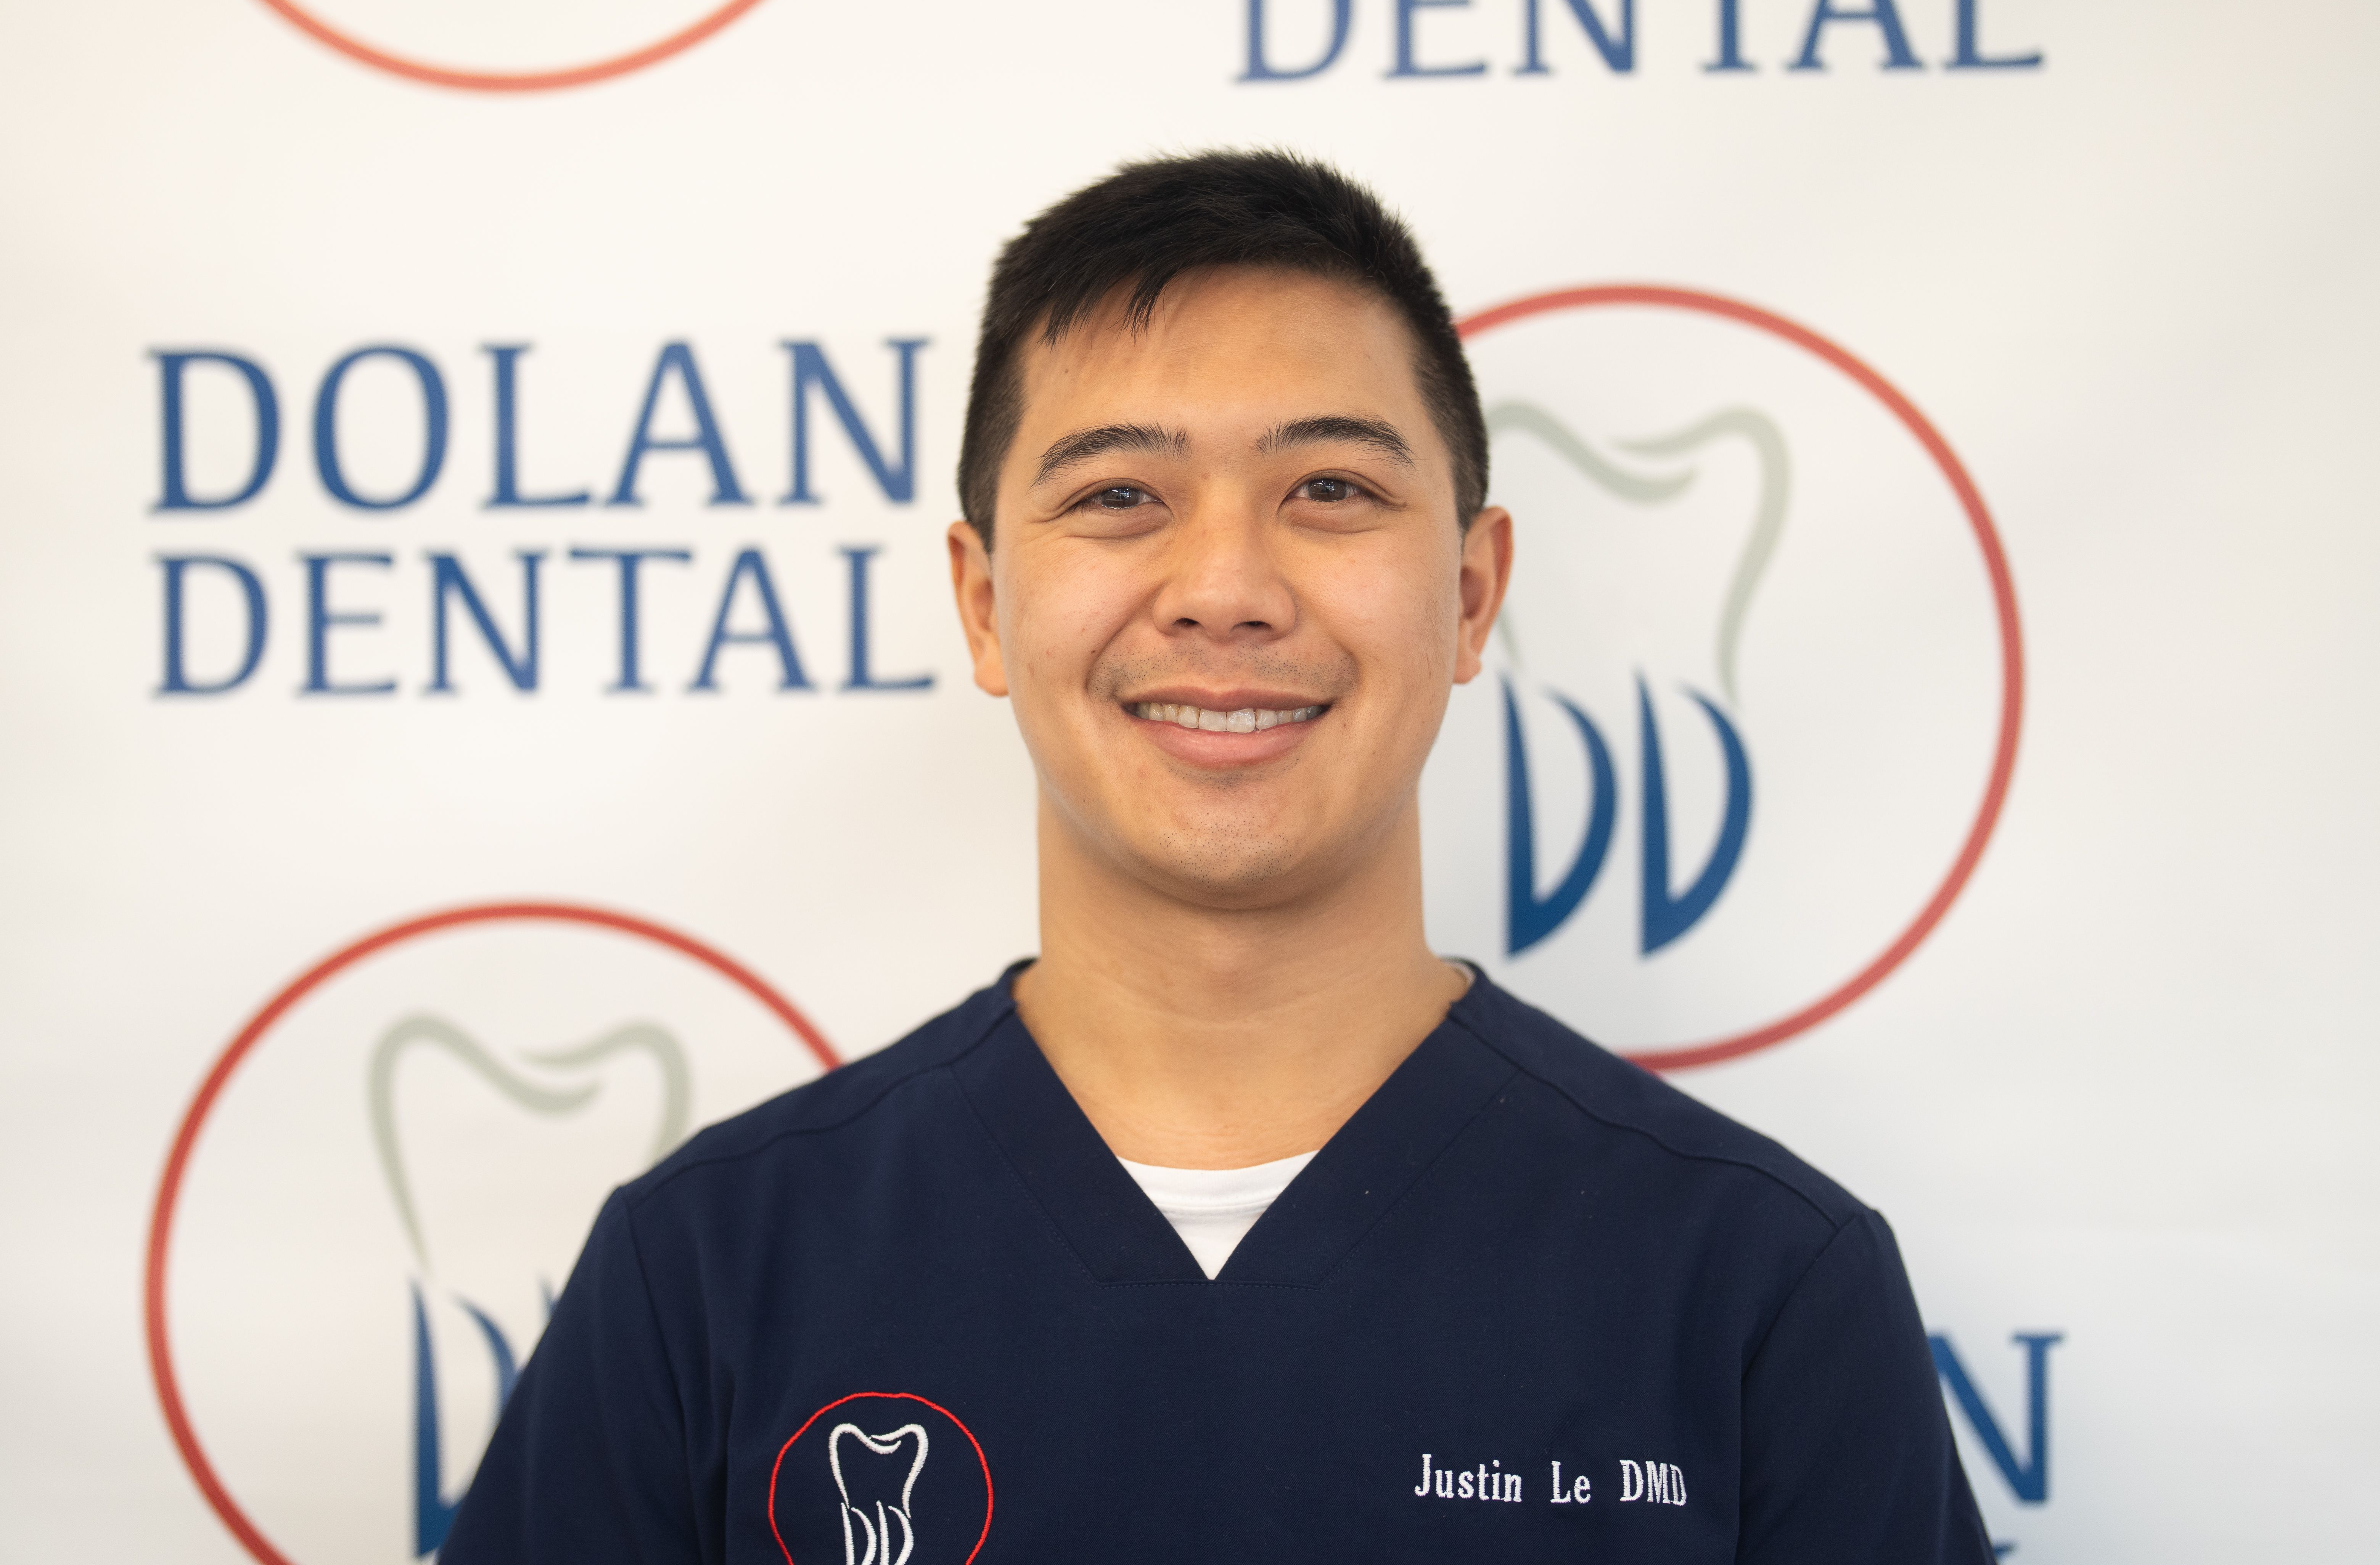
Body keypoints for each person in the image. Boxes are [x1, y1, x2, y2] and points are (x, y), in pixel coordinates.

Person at [444, 149, 1992, 1564]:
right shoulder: (706, 1276)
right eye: (1121, 495)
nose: (1228, 587)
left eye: (1331, 489)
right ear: (985, 603)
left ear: (1468, 592)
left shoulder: (1757, 1285)